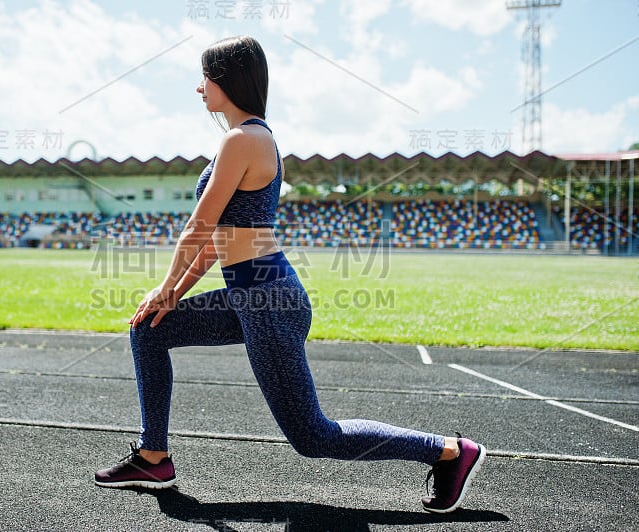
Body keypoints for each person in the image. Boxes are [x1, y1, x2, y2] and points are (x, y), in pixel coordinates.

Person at [94, 35, 486, 514]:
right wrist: (171, 295)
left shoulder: (244, 140)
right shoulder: (241, 141)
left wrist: (165, 284)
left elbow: (199, 225)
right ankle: (154, 456)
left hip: (267, 298)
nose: (199, 89)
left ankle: (450, 451)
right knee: (150, 329)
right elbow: (214, 243)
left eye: (205, 78)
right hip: (249, 294)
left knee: (312, 435)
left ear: (226, 80)